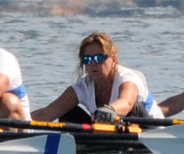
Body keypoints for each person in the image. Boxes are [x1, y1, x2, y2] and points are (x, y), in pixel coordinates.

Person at [30, 32, 162, 125]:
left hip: (152, 134)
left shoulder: (127, 78)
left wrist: (111, 110)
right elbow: (47, 113)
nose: (93, 63)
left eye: (99, 58)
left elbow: (127, 103)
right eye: (87, 59)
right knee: (67, 113)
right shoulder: (83, 87)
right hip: (117, 134)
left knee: (134, 108)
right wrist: (16, 122)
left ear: (113, 60)